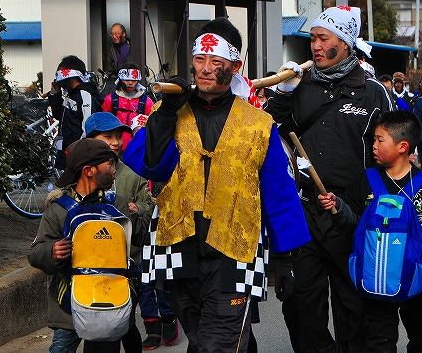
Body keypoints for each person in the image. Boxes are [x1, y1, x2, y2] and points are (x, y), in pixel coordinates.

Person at [123, 17, 310, 353]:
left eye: (216, 62)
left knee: (218, 344)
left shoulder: (258, 122)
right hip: (177, 247)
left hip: (234, 251)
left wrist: (285, 257)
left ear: (235, 66)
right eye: (199, 60)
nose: (206, 69)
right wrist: (165, 114)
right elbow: (149, 165)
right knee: (202, 340)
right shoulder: (170, 110)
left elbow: (278, 194)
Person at [265, 5, 393, 352]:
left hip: (352, 215)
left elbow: (392, 151)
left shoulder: (372, 92)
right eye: (313, 39)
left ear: (346, 41)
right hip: (304, 211)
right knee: (302, 306)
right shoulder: (301, 86)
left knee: (354, 308)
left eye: (323, 38)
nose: (315, 46)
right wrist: (284, 93)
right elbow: (265, 129)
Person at [318, 110, 422, 352]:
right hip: (376, 275)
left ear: (403, 146)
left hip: (421, 274)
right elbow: (353, 220)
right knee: (378, 338)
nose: (373, 145)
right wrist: (338, 207)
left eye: (379, 140)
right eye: (374, 138)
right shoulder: (365, 179)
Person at [28, 138, 132, 353]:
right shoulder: (58, 208)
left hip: (109, 302)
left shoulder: (119, 205)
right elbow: (36, 252)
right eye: (110, 164)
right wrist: (52, 251)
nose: (114, 169)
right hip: (68, 305)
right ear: (89, 170)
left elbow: (134, 249)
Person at [84, 112, 157, 351]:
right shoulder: (80, 173)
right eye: (108, 136)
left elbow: (151, 206)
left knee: (119, 322)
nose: (116, 142)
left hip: (128, 263)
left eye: (118, 136)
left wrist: (138, 210)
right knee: (103, 329)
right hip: (89, 267)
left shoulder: (133, 173)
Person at [48, 55, 103, 169]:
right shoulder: (70, 95)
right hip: (67, 151)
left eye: (61, 73)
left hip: (79, 155)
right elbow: (59, 115)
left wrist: (78, 150)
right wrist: (55, 95)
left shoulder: (84, 95)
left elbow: (88, 127)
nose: (58, 78)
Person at [102, 62, 153, 153]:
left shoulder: (147, 102)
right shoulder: (110, 99)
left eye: (133, 80)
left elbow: (151, 126)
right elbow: (105, 124)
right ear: (121, 79)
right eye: (127, 80)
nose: (130, 83)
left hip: (138, 147)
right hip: (114, 146)